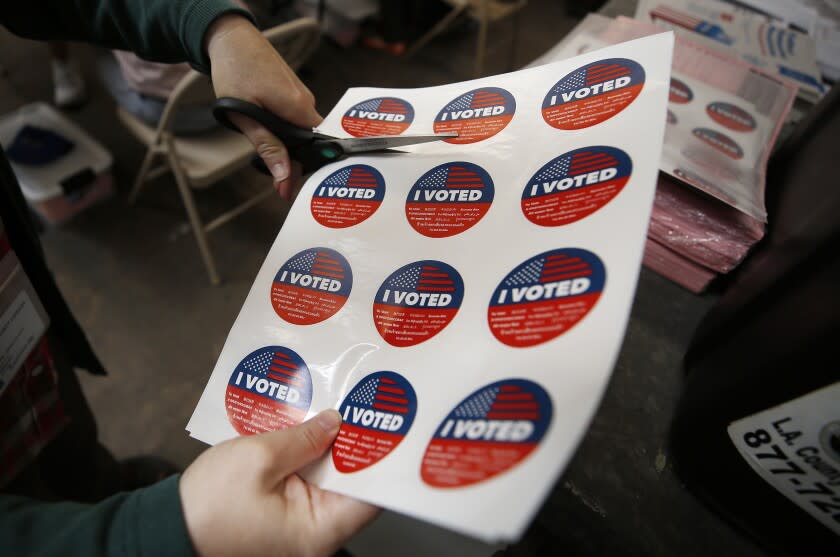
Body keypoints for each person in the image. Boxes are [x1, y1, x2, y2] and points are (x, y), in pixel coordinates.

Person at [0, 1, 378, 555]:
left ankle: (100, 487)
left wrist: (214, 26)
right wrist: (144, 536)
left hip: (26, 345)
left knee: (66, 441)